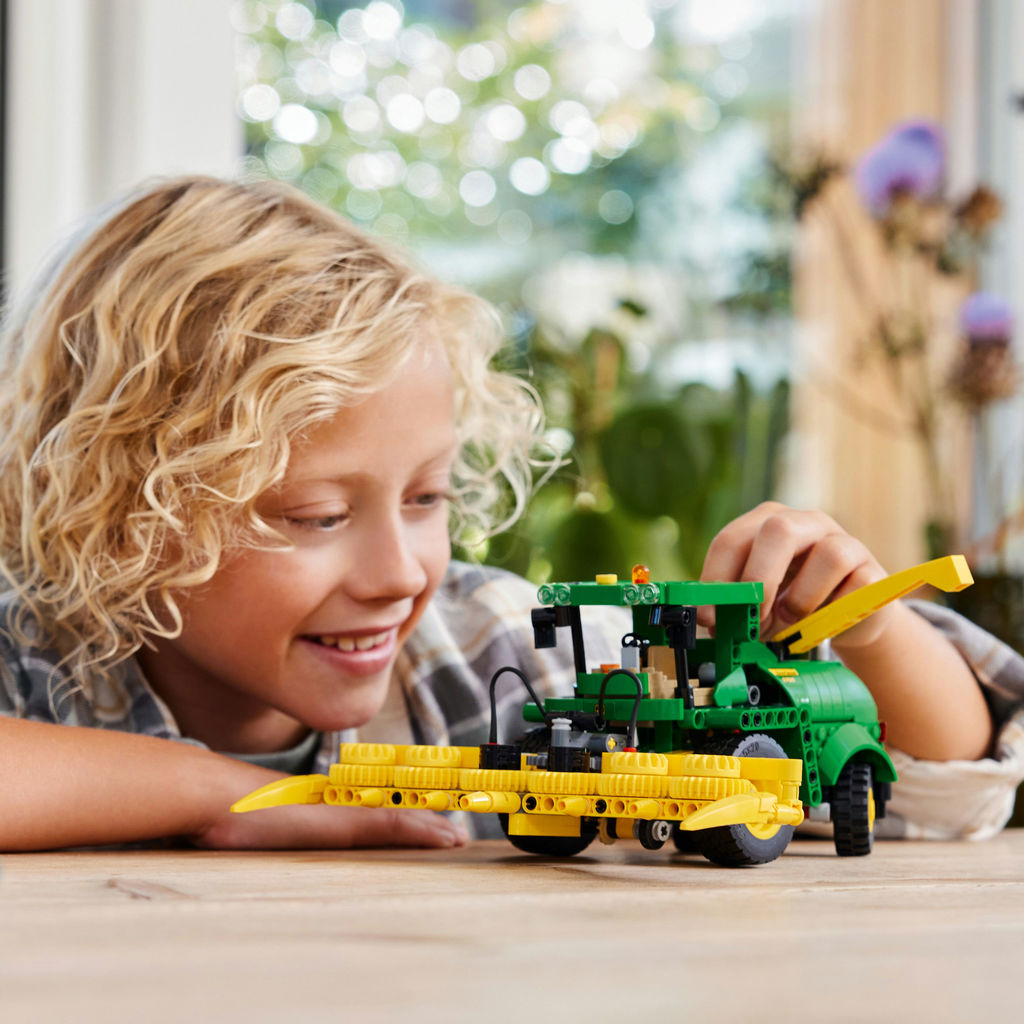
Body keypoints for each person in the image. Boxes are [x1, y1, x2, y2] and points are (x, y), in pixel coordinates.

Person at [0, 177, 1020, 853]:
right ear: (116, 512)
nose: (401, 572)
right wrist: (218, 791)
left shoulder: (488, 647)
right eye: (315, 516)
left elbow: (951, 784)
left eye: (427, 497)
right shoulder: (34, 655)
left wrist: (871, 630)